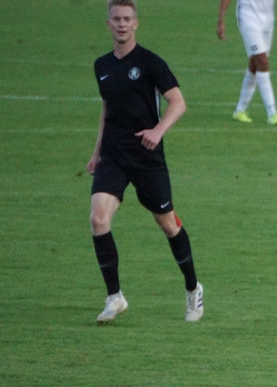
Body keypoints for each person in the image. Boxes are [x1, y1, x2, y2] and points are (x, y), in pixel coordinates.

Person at [88, 0, 203, 323]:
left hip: (146, 157)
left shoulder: (150, 62)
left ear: (136, 23)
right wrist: (97, 152)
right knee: (98, 219)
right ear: (108, 24)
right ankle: (114, 297)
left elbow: (178, 103)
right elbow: (107, 109)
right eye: (116, 19)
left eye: (127, 18)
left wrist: (157, 131)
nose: (122, 24)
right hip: (113, 154)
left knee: (168, 224)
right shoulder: (102, 66)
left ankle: (193, 288)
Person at [218, 0, 277, 126]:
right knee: (261, 60)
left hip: (268, 20)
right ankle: (272, 112)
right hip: (248, 17)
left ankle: (240, 110)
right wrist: (221, 19)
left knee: (255, 64)